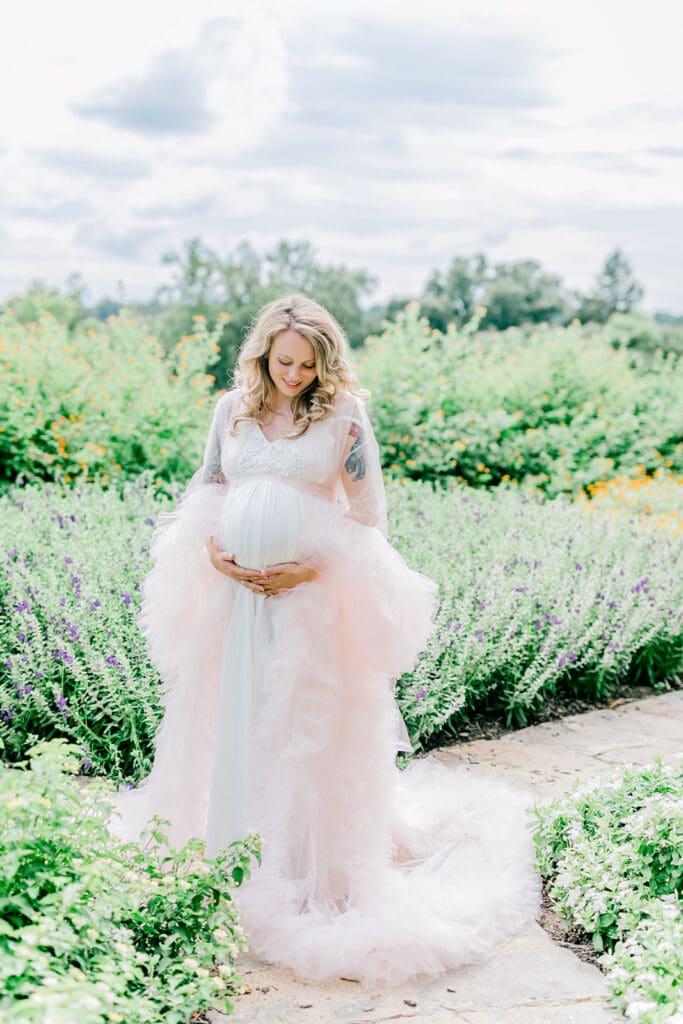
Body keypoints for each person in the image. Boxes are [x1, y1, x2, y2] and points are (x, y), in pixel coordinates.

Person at [107, 293, 540, 989]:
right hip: (236, 597)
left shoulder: (342, 415)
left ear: (323, 362)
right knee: (232, 715)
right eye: (284, 362)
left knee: (294, 730)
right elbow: (210, 484)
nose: (294, 375)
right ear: (261, 356)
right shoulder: (233, 410)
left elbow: (366, 510)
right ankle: (223, 847)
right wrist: (215, 550)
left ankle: (297, 865)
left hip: (306, 602)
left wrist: (310, 565)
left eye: (307, 364)